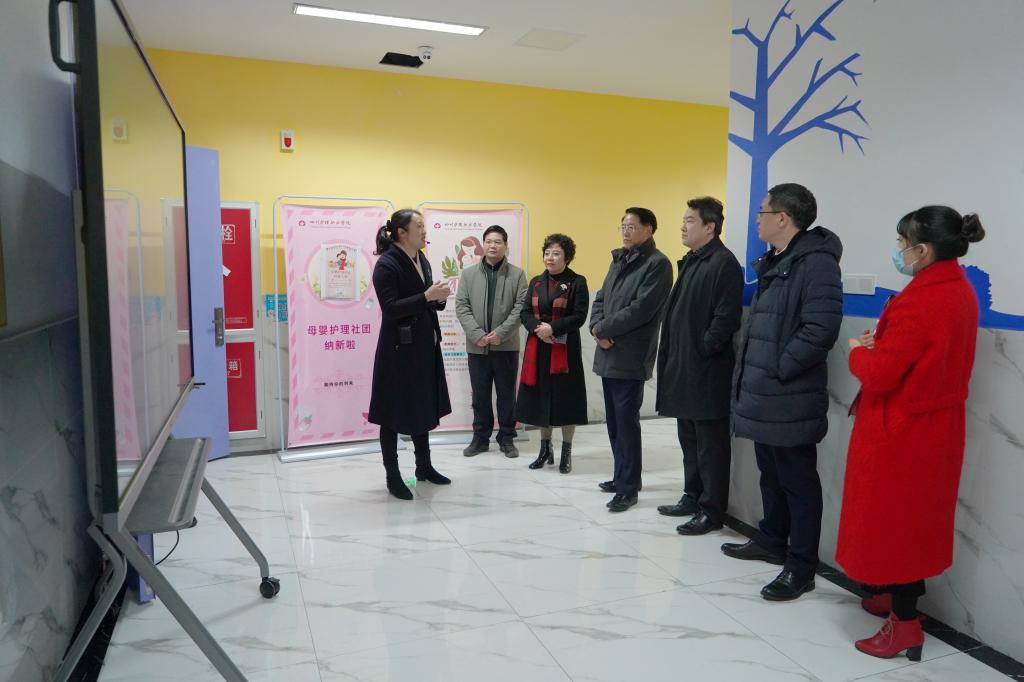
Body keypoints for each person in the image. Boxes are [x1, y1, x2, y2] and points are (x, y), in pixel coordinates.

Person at [837, 207, 985, 660]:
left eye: (903, 243)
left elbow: (880, 376)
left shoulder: (921, 299)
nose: (899, 250)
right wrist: (882, 346)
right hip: (934, 427)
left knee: (896, 525)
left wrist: (857, 352)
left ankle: (903, 626)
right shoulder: (958, 289)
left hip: (902, 431)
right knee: (914, 524)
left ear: (923, 250)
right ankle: (891, 596)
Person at [721, 183, 843, 601]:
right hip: (765, 393)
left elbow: (820, 329)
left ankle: (801, 566)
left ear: (783, 218)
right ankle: (772, 539)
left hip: (789, 394)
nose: (757, 219)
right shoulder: (778, 259)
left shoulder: (816, 263)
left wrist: (779, 368)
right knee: (770, 473)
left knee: (798, 482)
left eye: (762, 211)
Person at [655, 197, 743, 535]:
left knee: (711, 446)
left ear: (710, 227)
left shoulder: (723, 263)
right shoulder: (693, 261)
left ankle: (711, 510)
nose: (683, 226)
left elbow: (726, 318)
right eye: (684, 219)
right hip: (684, 367)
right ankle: (692, 496)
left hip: (707, 370)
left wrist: (703, 348)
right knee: (689, 439)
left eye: (690, 220)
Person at [590, 208, 673, 512]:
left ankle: (628, 488)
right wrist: (596, 327)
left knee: (626, 422)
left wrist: (603, 330)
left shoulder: (658, 264)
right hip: (608, 350)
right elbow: (601, 297)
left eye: (632, 226)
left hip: (630, 353)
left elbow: (641, 309)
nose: (625, 231)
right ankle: (621, 476)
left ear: (649, 229)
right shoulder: (619, 259)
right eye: (623, 226)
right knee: (614, 421)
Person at [367, 209, 453, 500]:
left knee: (422, 405)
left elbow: (425, 300)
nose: (424, 231)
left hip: (424, 346)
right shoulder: (387, 264)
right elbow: (391, 309)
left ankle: (423, 467)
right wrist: (427, 296)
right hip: (397, 351)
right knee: (391, 413)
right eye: (419, 226)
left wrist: (437, 298)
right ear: (402, 232)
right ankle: (392, 476)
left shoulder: (421, 259)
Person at [515, 234, 590, 473]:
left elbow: (579, 316)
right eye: (547, 253)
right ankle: (545, 449)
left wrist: (553, 328)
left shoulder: (577, 281)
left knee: (566, 401)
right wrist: (539, 329)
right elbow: (525, 312)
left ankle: (566, 451)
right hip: (539, 348)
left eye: (556, 253)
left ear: (567, 257)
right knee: (541, 401)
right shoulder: (536, 281)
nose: (550, 258)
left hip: (565, 351)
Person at [456, 225, 529, 458]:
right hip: (477, 347)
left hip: (506, 346)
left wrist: (501, 333)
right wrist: (477, 334)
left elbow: (521, 307)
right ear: (483, 245)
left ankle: (507, 438)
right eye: (488, 241)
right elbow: (462, 306)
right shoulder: (469, 274)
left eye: (498, 242)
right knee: (480, 396)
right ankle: (480, 439)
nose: (493, 246)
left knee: (507, 395)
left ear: (505, 245)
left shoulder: (517, 274)